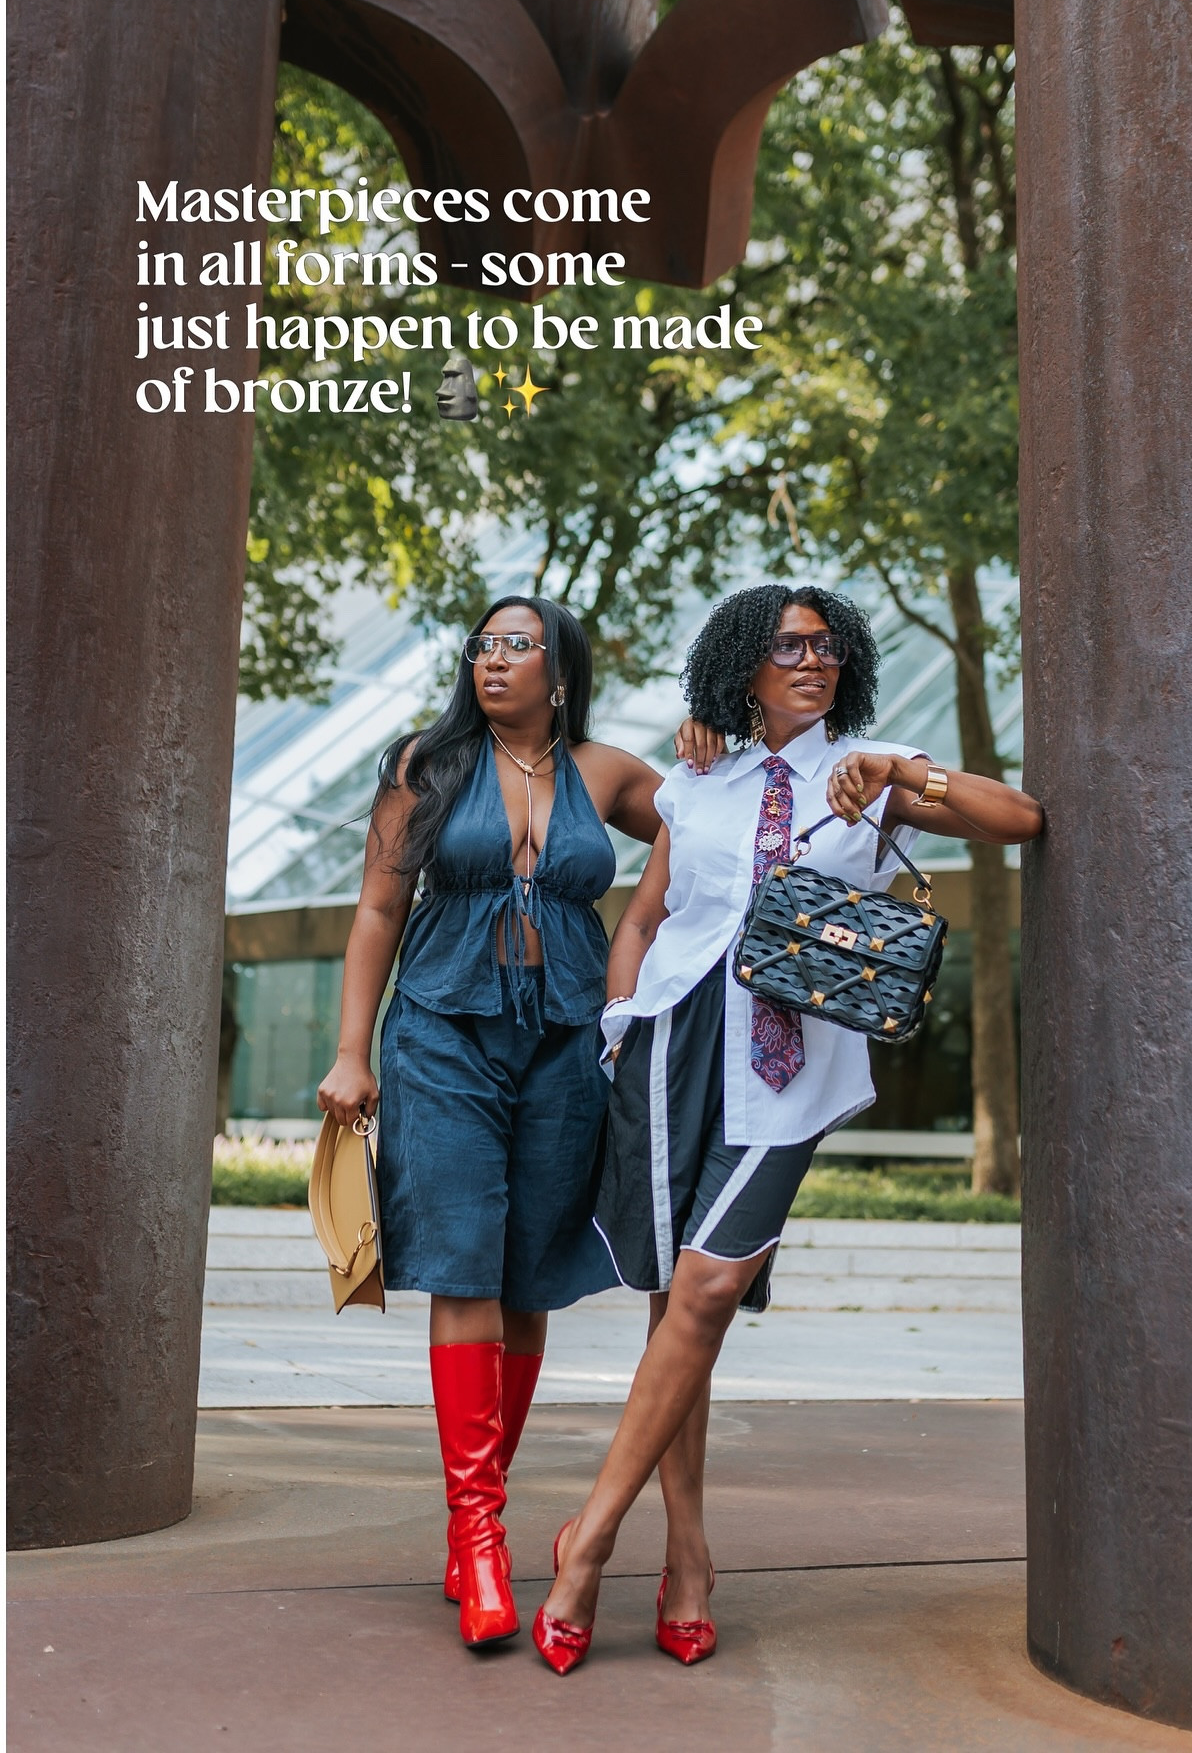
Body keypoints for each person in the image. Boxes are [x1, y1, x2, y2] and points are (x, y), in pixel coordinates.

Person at [531, 583, 1044, 1674]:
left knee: (710, 1290)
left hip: (793, 1064)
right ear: (743, 666)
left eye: (826, 646)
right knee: (680, 1302)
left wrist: (905, 774)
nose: (811, 661)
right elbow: (649, 914)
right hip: (673, 1044)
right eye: (786, 647)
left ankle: (589, 1541)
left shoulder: (867, 770)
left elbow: (1021, 820)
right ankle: (691, 1554)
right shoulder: (700, 776)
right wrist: (621, 1021)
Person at [316, 595, 708, 1652]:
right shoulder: (425, 766)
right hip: (442, 1035)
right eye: (483, 645)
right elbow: (376, 911)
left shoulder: (609, 774)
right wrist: (352, 1052)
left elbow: (708, 838)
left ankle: (476, 1519)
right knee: (465, 1267)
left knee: (529, 1273)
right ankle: (479, 1533)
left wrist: (706, 749)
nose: (494, 660)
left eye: (517, 646)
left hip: (567, 1044)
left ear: (561, 667)